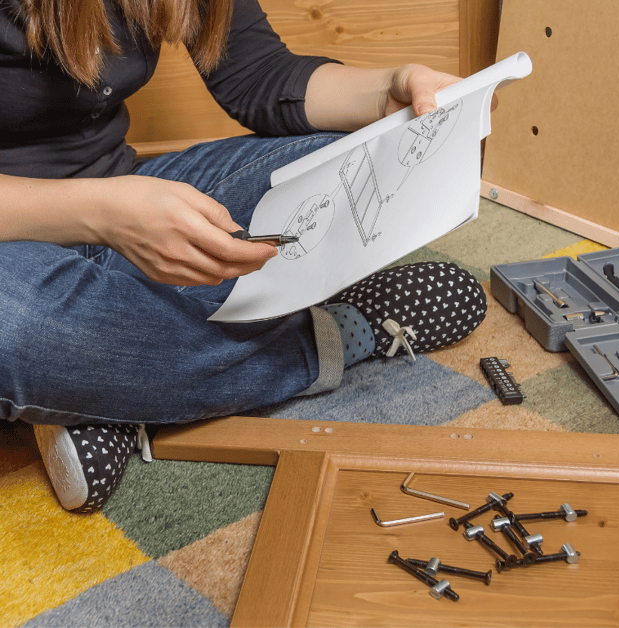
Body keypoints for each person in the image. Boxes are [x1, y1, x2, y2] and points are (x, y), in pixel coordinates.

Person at [0, 0, 487, 513]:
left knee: (359, 158)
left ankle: (110, 387)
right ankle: (341, 332)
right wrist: (101, 214)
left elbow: (258, 72)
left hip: (129, 193)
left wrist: (393, 89)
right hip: (23, 239)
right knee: (14, 330)